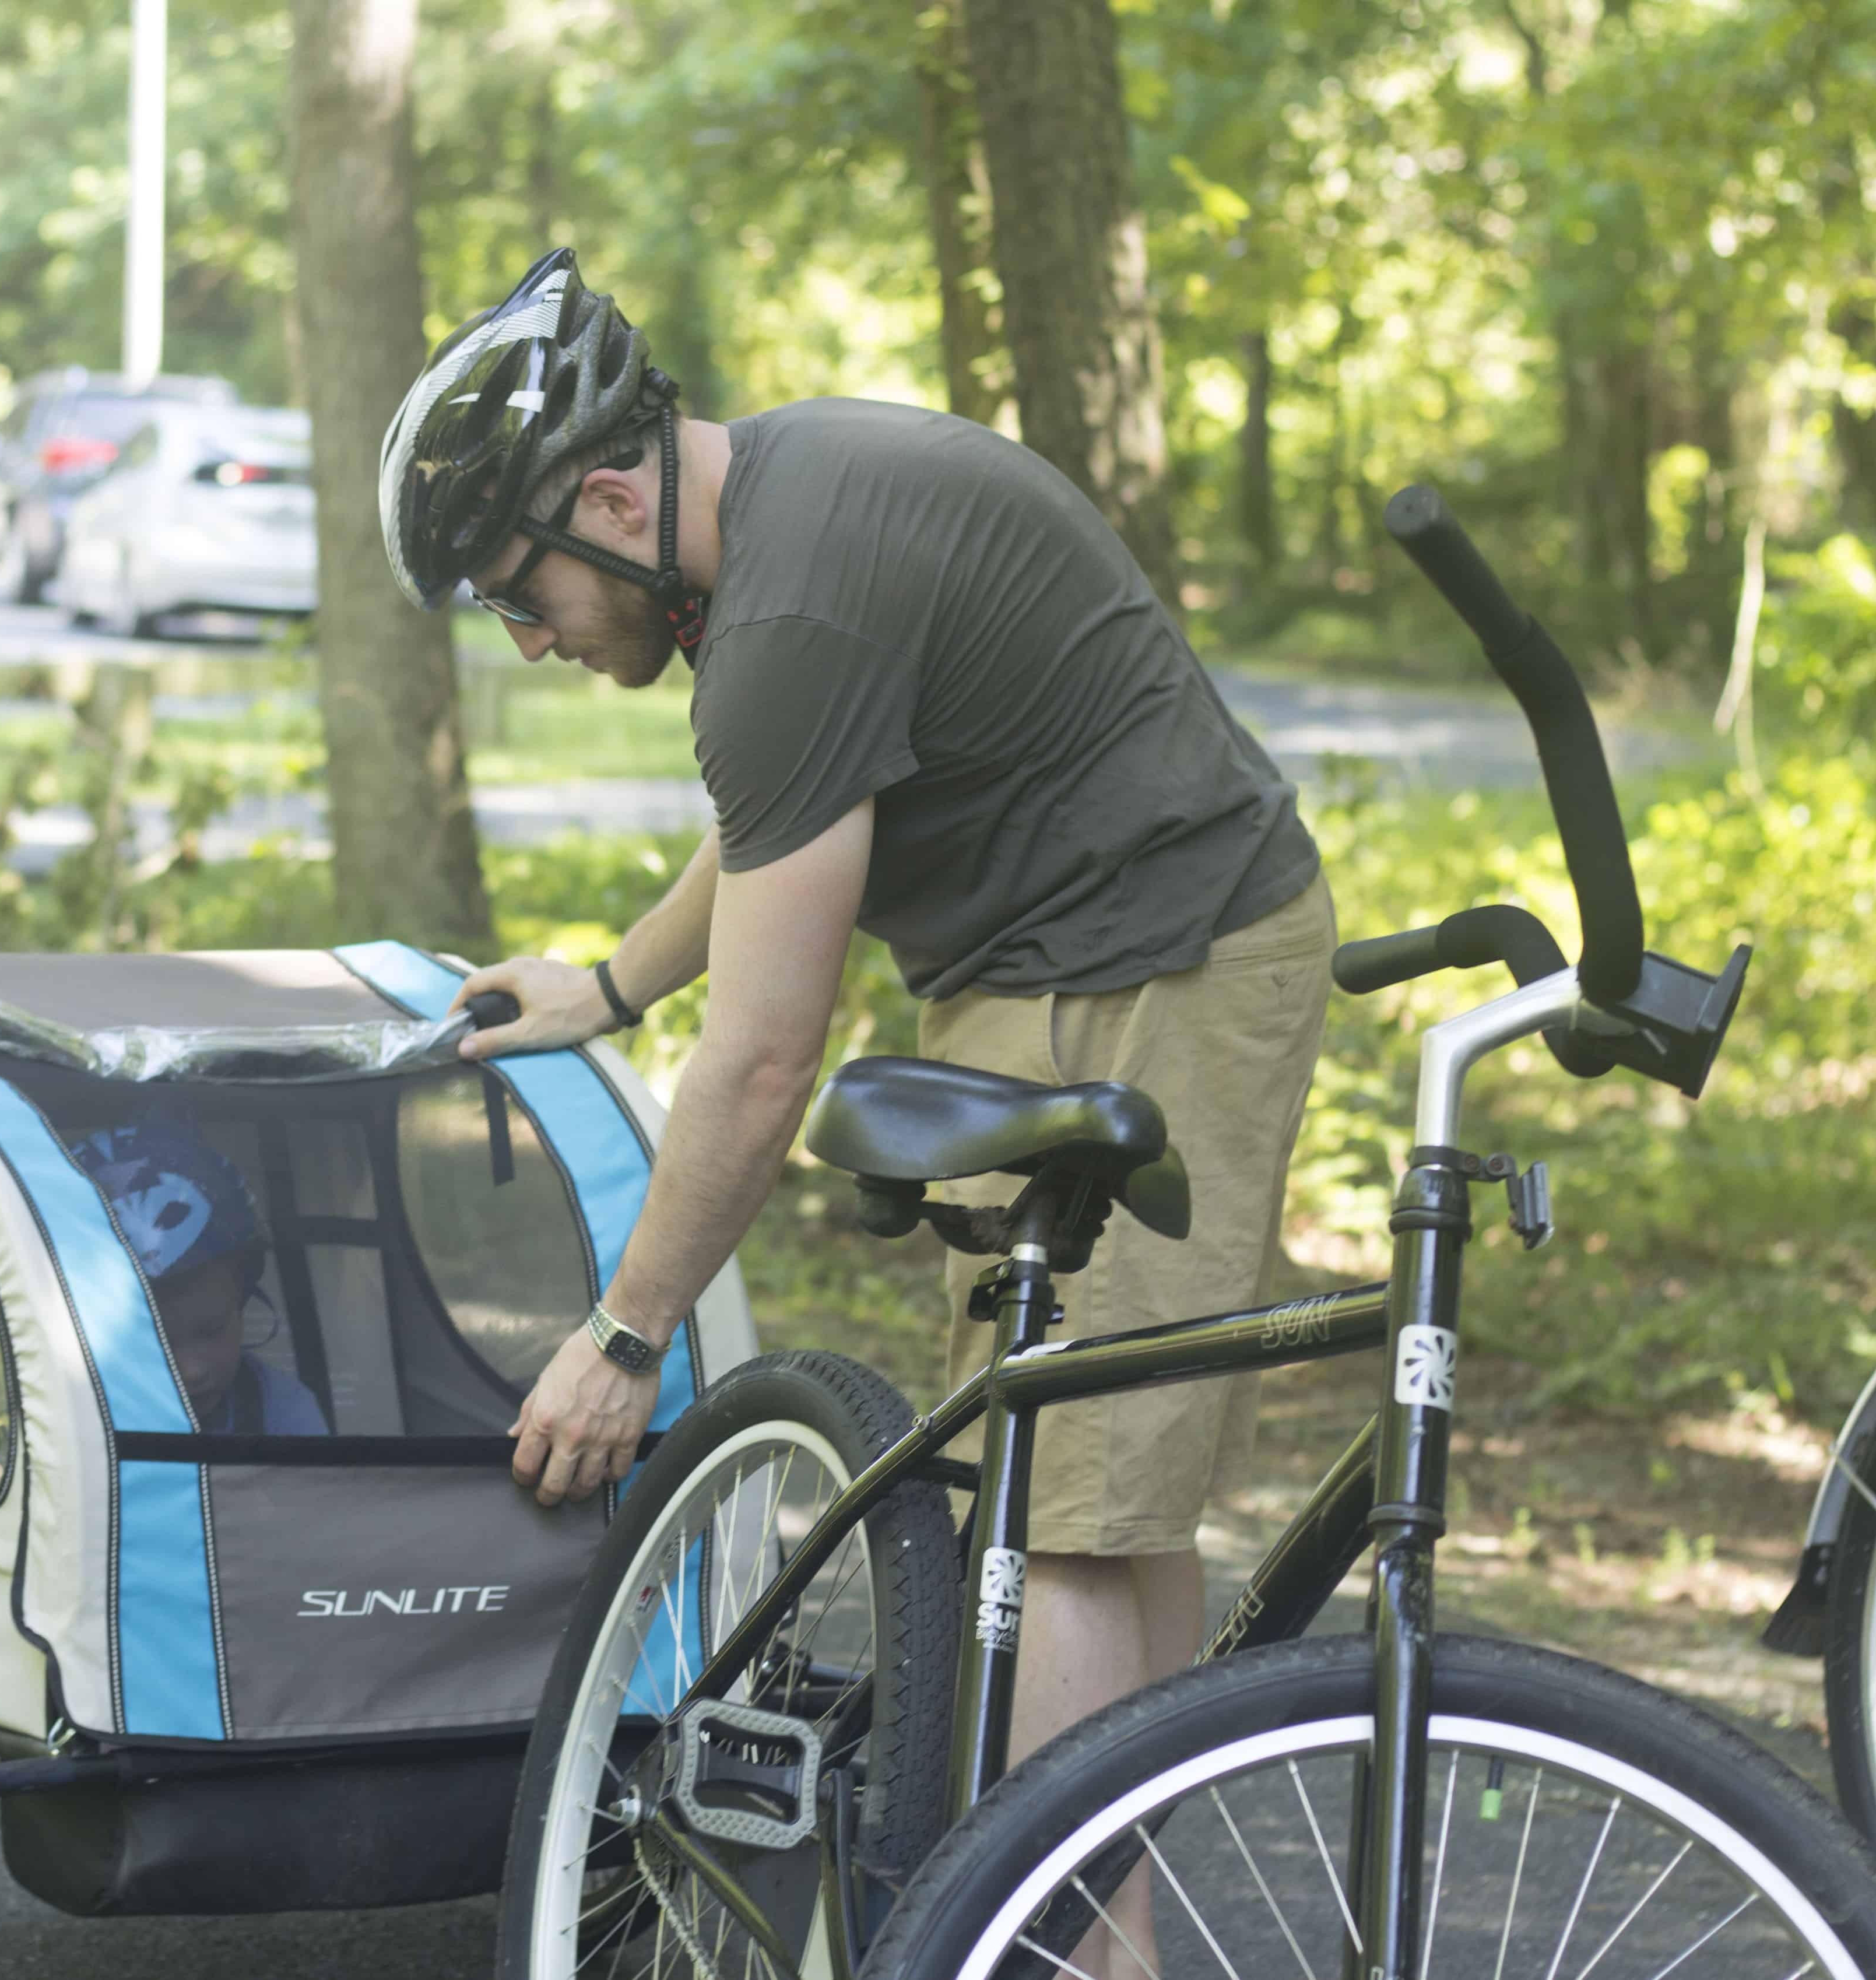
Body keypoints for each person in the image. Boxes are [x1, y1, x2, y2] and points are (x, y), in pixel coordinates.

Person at [377, 243, 1333, 1958]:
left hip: (1149, 959)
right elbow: (774, 822)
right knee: (1092, 1502)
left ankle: (1044, 1946)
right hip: (1080, 955)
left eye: (520, 591)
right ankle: (1097, 1935)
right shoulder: (785, 513)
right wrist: (608, 987)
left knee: (1058, 1514)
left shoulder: (792, 610)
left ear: (608, 494)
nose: (525, 638)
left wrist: (624, 1331)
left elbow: (760, 1066)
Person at [72, 1117, 329, 1437]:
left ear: (242, 1296)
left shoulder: (279, 1411)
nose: (192, 1370)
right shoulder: (59, 1417)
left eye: (212, 1330)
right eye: (155, 1341)